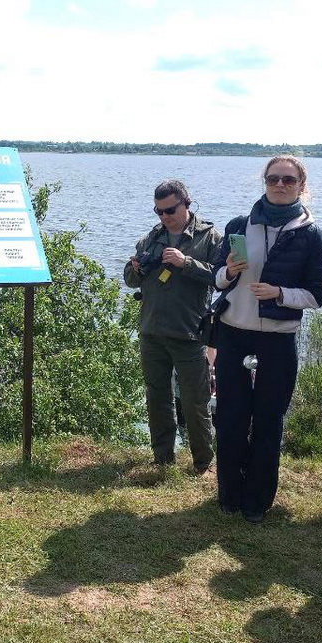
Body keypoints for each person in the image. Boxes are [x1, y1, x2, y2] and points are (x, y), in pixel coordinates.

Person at [211, 155, 322, 523]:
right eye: (274, 178)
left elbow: (317, 294)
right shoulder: (238, 226)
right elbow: (214, 280)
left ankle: (257, 501)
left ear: (301, 186)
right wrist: (228, 271)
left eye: (288, 180)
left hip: (277, 340)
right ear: (264, 181)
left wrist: (280, 293)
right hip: (233, 333)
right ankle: (229, 495)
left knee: (268, 421)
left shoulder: (311, 235)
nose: (280, 185)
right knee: (230, 417)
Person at [123, 179, 220, 473]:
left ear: (187, 204)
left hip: (189, 332)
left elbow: (221, 277)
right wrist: (135, 269)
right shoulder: (150, 238)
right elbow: (129, 280)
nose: (164, 217)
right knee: (157, 397)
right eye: (159, 211)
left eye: (170, 210)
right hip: (152, 330)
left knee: (195, 401)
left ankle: (203, 461)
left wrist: (185, 262)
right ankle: (162, 458)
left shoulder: (210, 237)